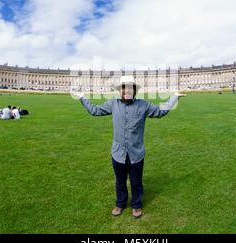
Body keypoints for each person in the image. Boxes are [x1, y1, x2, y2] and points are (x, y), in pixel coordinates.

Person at [72, 75, 186, 219]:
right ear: (120, 90)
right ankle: (120, 203)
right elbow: (95, 111)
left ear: (134, 91)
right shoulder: (113, 104)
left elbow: (160, 112)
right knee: (120, 182)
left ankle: (136, 205)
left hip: (136, 153)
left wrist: (175, 97)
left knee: (136, 182)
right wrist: (82, 97)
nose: (127, 91)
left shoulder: (143, 105)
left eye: (130, 88)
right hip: (118, 153)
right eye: (124, 88)